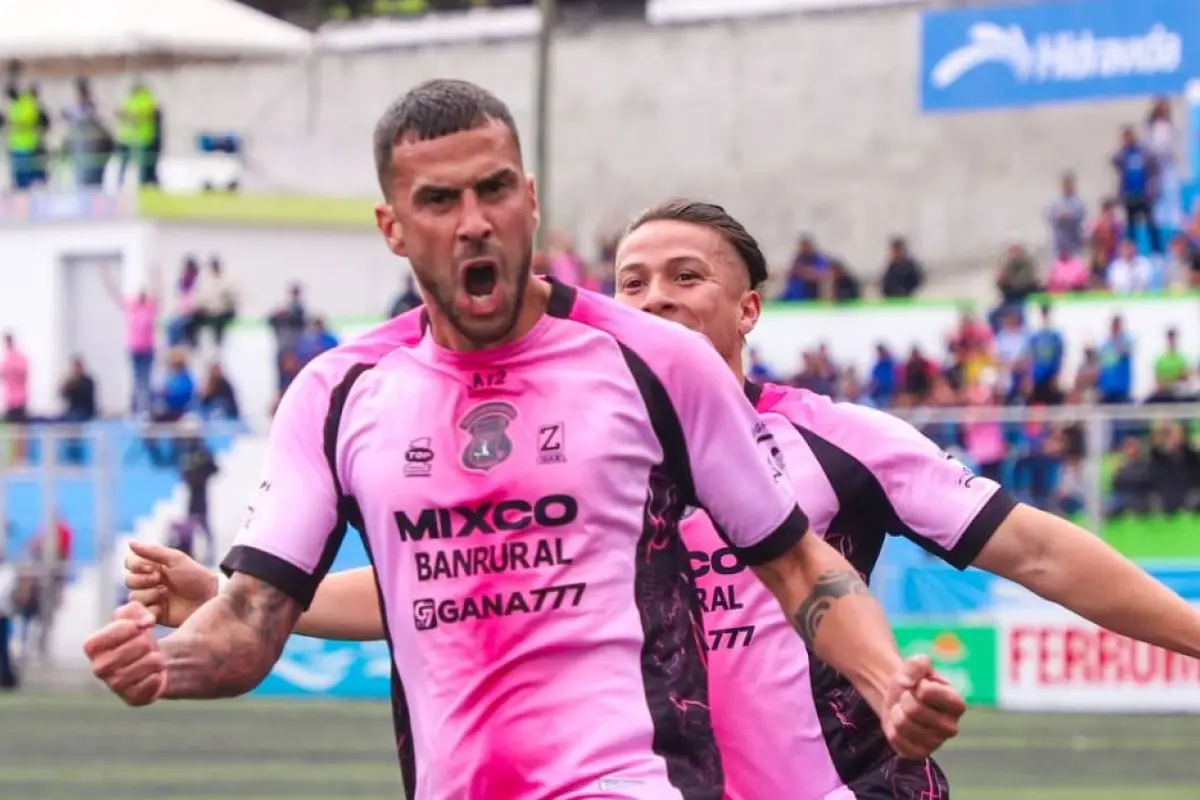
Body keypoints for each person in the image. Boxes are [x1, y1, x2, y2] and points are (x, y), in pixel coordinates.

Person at [132, 196, 1200, 799]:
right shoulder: (583, 450)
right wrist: (239, 596)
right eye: (630, 282)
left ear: (749, 306)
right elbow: (437, 586)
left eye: (684, 277)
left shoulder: (834, 438)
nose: (651, 300)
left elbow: (1044, 554)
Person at [87, 80, 961, 800]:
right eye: (439, 200)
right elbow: (251, 618)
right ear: (393, 228)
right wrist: (169, 664)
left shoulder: (656, 363)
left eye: (494, 189)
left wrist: (887, 685)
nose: (474, 221)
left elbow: (798, 562)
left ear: (530, 199)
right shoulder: (337, 395)